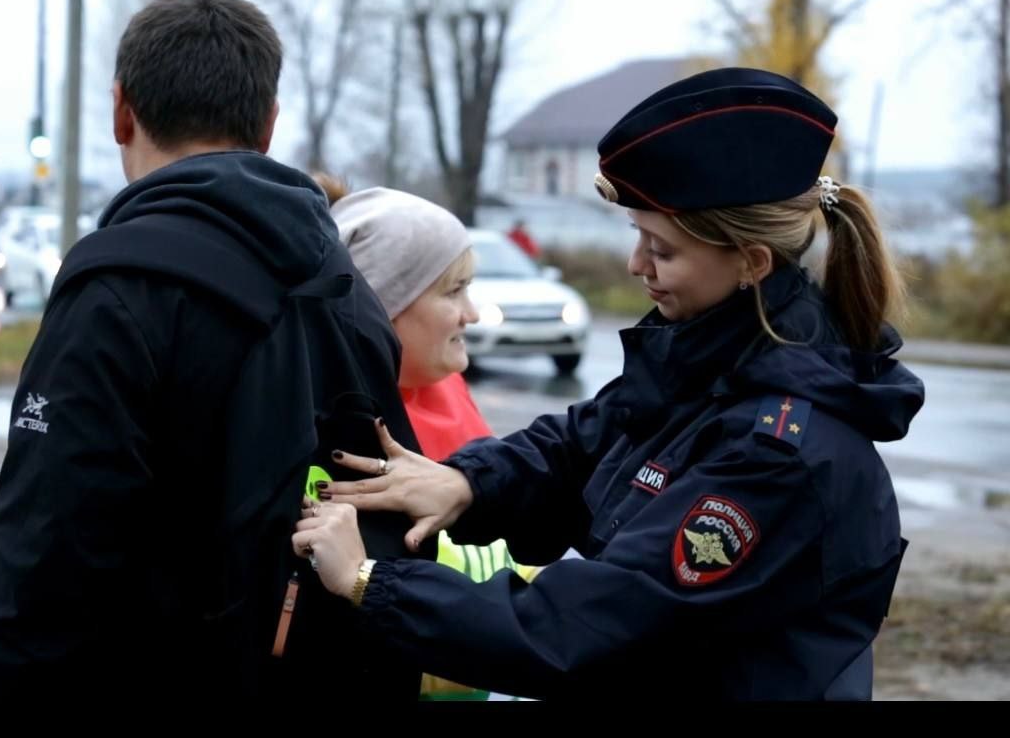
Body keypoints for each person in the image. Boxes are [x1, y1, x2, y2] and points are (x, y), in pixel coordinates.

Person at [291, 67, 926, 701]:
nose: (636, 265)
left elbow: (596, 623)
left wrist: (370, 582)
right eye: (638, 237)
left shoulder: (779, 454)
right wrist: (466, 483)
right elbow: (577, 446)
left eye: (663, 249)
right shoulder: (707, 367)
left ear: (750, 264)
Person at [0, 0, 427, 700]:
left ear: (121, 112)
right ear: (268, 126)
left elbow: (47, 554)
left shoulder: (116, 291)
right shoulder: (346, 291)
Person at [315, 177, 536, 700]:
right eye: (452, 290)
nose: (473, 313)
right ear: (382, 307)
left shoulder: (446, 392)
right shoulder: (339, 433)